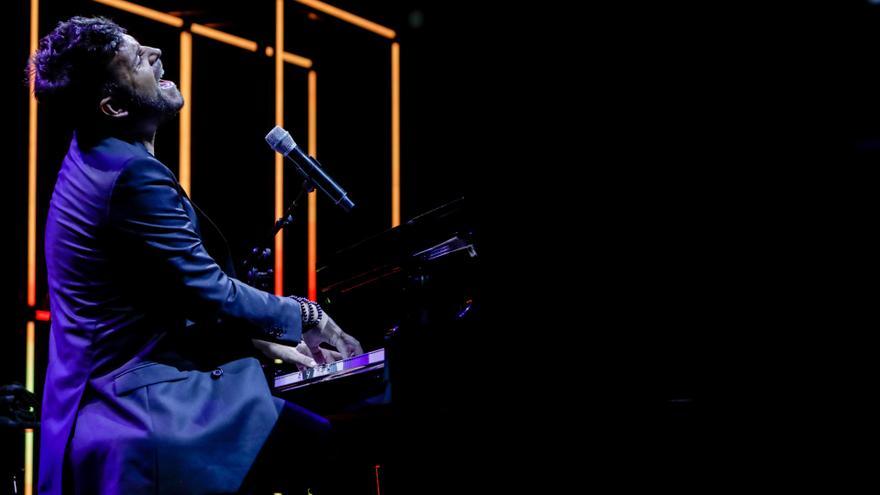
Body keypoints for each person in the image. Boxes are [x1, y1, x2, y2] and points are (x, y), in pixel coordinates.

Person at [29, 16, 362, 494]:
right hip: (148, 417)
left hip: (95, 412)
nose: (156, 53)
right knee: (332, 442)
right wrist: (307, 313)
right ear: (113, 105)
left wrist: (256, 341)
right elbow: (208, 290)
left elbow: (153, 295)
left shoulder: (87, 160)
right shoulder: (131, 175)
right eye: (136, 58)